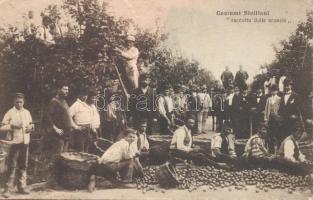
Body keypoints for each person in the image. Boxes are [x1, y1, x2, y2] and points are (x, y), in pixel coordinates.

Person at [0, 93, 34, 198]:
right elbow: (2, 126)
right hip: (14, 143)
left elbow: (31, 124)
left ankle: (22, 186)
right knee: (12, 165)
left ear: (24, 102)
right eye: (17, 102)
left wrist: (31, 128)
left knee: (23, 164)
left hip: (25, 142)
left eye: (21, 102)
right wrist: (12, 125)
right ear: (13, 102)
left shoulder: (27, 112)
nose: (19, 104)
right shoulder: (10, 112)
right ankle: (8, 188)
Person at [46, 82, 77, 156]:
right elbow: (48, 116)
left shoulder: (64, 101)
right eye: (65, 89)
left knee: (64, 156)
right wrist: (55, 128)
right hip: (59, 134)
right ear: (58, 89)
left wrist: (73, 126)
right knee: (57, 155)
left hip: (66, 133)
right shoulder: (54, 101)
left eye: (67, 89)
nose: (67, 91)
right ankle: (53, 167)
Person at [69, 88, 93, 152]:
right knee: (80, 149)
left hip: (88, 129)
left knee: (87, 147)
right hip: (80, 129)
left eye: (86, 95)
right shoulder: (76, 105)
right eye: (83, 95)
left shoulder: (86, 105)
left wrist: (91, 126)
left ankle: (86, 161)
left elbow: (90, 117)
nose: (85, 97)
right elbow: (68, 116)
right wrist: (75, 127)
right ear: (79, 95)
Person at [278, 79, 301, 144]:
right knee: (283, 137)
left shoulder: (295, 96)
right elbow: (280, 109)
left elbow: (299, 108)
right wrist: (280, 116)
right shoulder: (282, 96)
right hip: (283, 121)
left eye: (288, 85)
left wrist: (296, 116)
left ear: (291, 86)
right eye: (285, 86)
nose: (286, 87)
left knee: (292, 138)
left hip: (292, 121)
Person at [264, 85, 281, 153]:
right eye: (272, 90)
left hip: (276, 119)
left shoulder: (279, 99)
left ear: (277, 91)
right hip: (270, 118)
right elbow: (266, 109)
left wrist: (278, 117)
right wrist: (266, 118)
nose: (273, 92)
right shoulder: (268, 99)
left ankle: (278, 150)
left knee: (276, 134)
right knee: (270, 134)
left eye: (275, 90)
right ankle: (271, 151)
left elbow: (280, 109)